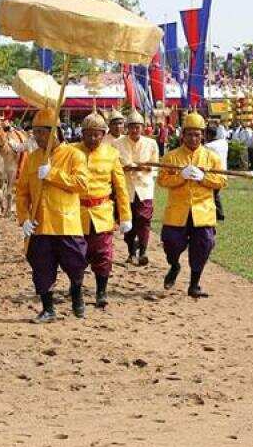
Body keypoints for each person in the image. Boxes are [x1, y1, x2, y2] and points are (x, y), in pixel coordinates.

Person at [16, 107, 90, 322]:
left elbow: (82, 184)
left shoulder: (74, 154)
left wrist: (53, 174)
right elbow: (21, 192)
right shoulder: (31, 158)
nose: (38, 137)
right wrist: (24, 219)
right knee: (41, 267)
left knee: (76, 264)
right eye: (35, 132)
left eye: (42, 132)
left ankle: (77, 293)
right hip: (39, 224)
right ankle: (48, 308)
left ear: (56, 131)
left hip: (66, 223)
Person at [158, 113, 227, 298]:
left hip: (203, 211)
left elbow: (222, 181)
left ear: (202, 135)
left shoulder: (211, 157)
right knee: (171, 243)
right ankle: (174, 265)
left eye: (197, 134)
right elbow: (162, 181)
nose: (193, 138)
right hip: (177, 211)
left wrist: (204, 178)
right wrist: (180, 177)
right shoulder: (171, 157)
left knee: (203, 245)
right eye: (189, 134)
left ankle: (194, 285)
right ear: (183, 135)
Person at [73, 113, 131, 309]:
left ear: (103, 134)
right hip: (75, 213)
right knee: (76, 256)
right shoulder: (71, 152)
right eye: (88, 134)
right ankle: (77, 290)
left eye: (97, 135)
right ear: (82, 134)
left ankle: (101, 292)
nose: (92, 139)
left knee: (103, 254)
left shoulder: (111, 154)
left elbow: (121, 187)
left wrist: (125, 216)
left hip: (102, 212)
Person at [115, 110, 160, 266]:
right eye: (132, 127)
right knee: (127, 220)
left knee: (144, 220)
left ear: (143, 127)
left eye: (138, 127)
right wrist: (124, 168)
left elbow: (155, 166)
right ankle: (131, 251)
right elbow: (114, 166)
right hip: (126, 188)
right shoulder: (118, 144)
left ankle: (143, 251)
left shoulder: (151, 143)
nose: (135, 130)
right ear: (127, 128)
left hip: (144, 187)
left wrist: (146, 168)